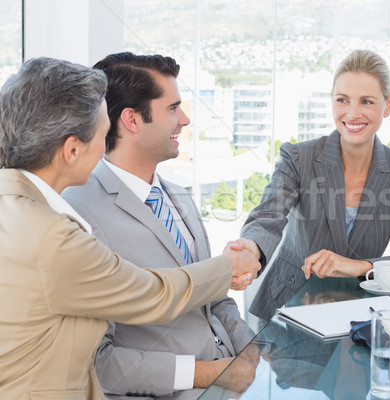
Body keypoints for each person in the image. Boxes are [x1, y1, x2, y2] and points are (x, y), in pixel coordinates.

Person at [0, 57, 260, 399]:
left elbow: (214, 302)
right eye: (101, 133)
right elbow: (154, 296)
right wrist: (228, 267)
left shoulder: (177, 194)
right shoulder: (58, 227)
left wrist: (250, 353)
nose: (104, 143)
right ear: (72, 148)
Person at [239, 49, 390, 321]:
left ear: (388, 105)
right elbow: (267, 217)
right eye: (342, 100)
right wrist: (250, 248)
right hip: (286, 306)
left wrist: (361, 266)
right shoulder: (299, 158)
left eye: (367, 102)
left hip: (358, 312)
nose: (352, 114)